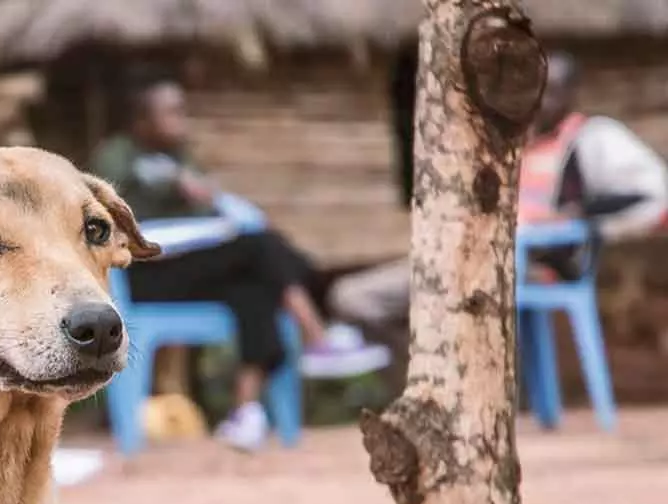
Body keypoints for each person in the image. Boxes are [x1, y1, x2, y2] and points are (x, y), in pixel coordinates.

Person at [90, 78, 391, 451]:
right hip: (146, 276)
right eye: (170, 112)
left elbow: (206, 204)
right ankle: (317, 335)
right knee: (261, 246)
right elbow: (129, 196)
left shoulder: (183, 155)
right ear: (142, 122)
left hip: (194, 268)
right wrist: (179, 184)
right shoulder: (119, 155)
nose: (180, 121)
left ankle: (244, 411)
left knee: (255, 289)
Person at [331, 50, 668, 333]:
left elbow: (653, 195)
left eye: (552, 91)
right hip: (471, 256)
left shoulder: (592, 139)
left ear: (571, 94)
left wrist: (578, 214)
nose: (540, 100)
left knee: (449, 298)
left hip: (534, 265)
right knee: (350, 297)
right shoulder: (510, 144)